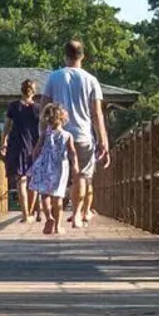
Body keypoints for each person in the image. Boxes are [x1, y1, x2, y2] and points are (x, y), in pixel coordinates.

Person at [41, 38, 109, 230]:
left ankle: (55, 218)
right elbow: (97, 114)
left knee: (55, 176)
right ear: (83, 56)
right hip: (82, 135)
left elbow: (44, 108)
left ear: (65, 56)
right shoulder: (91, 80)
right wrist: (103, 140)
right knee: (80, 176)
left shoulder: (54, 77)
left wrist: (42, 135)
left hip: (57, 134)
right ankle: (78, 215)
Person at [23, 102, 72, 235]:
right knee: (58, 196)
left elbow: (36, 149)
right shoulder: (67, 135)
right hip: (60, 168)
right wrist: (76, 166)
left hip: (45, 166)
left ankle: (49, 217)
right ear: (63, 119)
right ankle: (58, 226)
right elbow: (72, 152)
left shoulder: (45, 133)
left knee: (44, 194)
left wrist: (34, 162)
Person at [3, 79, 42, 222]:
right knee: (33, 181)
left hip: (17, 144)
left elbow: (6, 126)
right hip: (34, 145)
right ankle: (31, 212)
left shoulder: (13, 106)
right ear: (34, 91)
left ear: (21, 90)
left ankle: (26, 214)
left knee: (21, 180)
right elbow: (42, 129)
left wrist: (3, 142)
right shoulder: (38, 108)